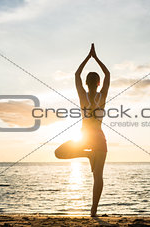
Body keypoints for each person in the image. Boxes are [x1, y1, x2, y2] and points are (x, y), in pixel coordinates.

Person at [55, 43, 110, 217]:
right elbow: (108, 74)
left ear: (86, 83)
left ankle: (87, 154)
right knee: (98, 177)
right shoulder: (103, 95)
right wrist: (96, 57)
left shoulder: (82, 96)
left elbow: (77, 74)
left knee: (59, 153)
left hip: (85, 138)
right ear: (99, 82)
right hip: (99, 138)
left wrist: (88, 57)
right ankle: (93, 210)